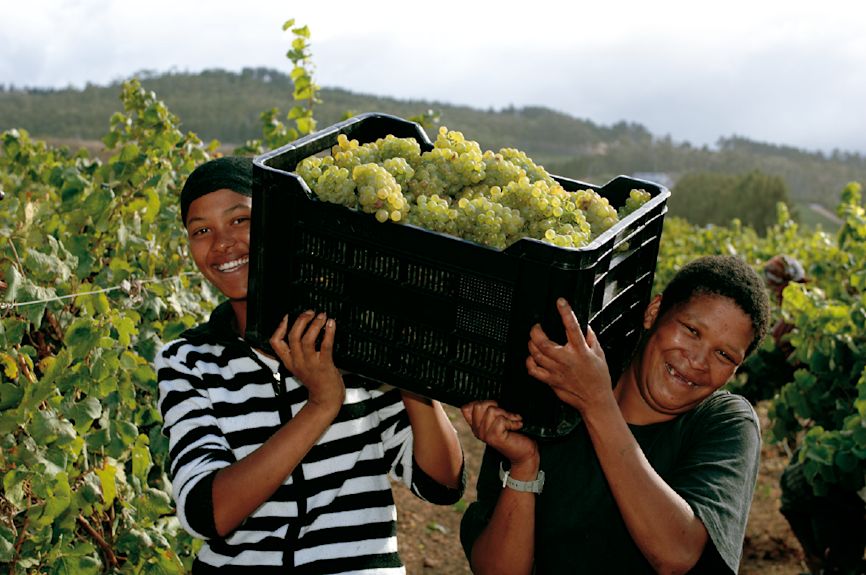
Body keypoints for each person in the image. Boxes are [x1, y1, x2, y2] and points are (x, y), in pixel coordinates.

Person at [156, 155, 465, 573]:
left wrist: (407, 360)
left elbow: (440, 484)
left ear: (277, 221)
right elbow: (206, 512)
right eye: (201, 231)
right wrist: (322, 404)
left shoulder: (353, 338)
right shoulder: (189, 361)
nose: (222, 243)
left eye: (240, 220)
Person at [460, 254, 771, 574]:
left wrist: (596, 403)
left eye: (724, 355)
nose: (698, 361)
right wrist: (524, 467)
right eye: (692, 330)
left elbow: (676, 553)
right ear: (654, 312)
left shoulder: (725, 422)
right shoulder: (550, 391)